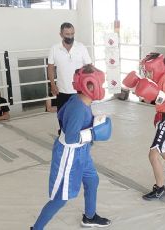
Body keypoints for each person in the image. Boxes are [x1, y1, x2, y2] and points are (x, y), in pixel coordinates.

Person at [31, 65, 112, 230]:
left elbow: (65, 120)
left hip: (83, 151)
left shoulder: (81, 100)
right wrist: (94, 133)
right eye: (100, 84)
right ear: (90, 84)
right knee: (60, 198)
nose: (101, 88)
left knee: (92, 180)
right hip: (69, 154)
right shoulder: (77, 107)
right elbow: (71, 137)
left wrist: (94, 123)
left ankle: (89, 217)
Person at [122, 53, 165, 201]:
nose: (147, 73)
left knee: (153, 154)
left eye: (149, 70)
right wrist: (141, 88)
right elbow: (150, 98)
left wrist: (157, 93)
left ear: (157, 68)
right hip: (164, 117)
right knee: (164, 150)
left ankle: (160, 189)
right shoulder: (155, 79)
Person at [47, 22, 92, 130]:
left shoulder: (81, 47)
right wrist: (52, 85)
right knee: (62, 115)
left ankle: (85, 137)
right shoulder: (54, 48)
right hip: (62, 90)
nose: (70, 36)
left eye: (72, 33)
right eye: (67, 34)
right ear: (61, 34)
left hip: (80, 90)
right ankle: (64, 135)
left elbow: (89, 66)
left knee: (83, 115)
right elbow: (50, 68)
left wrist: (90, 86)